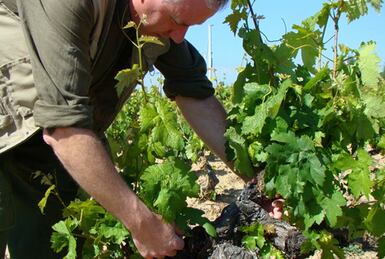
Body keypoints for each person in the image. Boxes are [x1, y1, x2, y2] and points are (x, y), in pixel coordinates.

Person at [0, 0, 254, 258]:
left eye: (191, 26)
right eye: (178, 21)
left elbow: (195, 93)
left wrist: (256, 182)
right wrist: (141, 223)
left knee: (46, 246)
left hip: (47, 145)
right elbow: (65, 129)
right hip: (15, 127)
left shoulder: (156, 25)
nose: (180, 37)